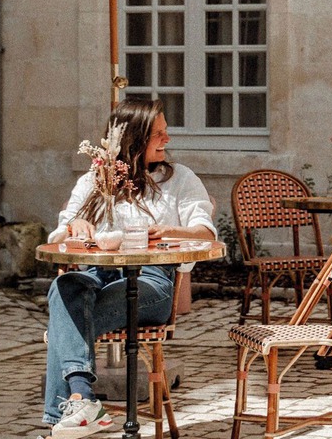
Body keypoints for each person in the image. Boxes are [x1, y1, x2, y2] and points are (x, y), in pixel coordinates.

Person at [41, 99, 216, 438]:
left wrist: (168, 231)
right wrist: (76, 225)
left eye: (166, 133)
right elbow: (60, 232)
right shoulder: (97, 179)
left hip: (151, 282)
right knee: (65, 290)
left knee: (67, 317)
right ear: (134, 140)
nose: (167, 141)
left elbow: (206, 233)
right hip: (95, 275)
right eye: (158, 135)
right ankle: (82, 400)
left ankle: (58, 423)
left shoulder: (180, 180)